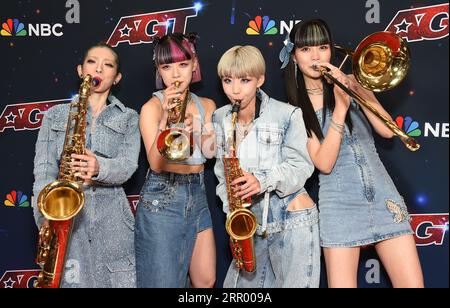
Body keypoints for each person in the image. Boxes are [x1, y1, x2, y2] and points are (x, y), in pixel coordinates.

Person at [280, 19, 424, 288]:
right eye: (306, 49)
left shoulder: (353, 82)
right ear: (294, 56)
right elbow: (323, 163)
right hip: (340, 207)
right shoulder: (294, 109)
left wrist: (355, 88)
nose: (315, 56)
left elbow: (386, 130)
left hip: (384, 197)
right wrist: (340, 108)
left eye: (322, 47)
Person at [32, 42, 140, 288]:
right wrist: (45, 219)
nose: (98, 69)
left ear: (117, 77)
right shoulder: (54, 116)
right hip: (66, 221)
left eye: (108, 64)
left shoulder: (129, 117)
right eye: (92, 62)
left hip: (113, 221)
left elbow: (128, 165)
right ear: (81, 70)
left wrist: (99, 167)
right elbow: (44, 170)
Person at [213, 45, 320, 288]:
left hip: (292, 220)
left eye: (245, 80)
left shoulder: (287, 114)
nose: (235, 90)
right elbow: (222, 174)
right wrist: (233, 209)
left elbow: (301, 166)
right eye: (227, 80)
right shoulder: (219, 118)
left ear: (260, 79)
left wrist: (261, 180)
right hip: (249, 224)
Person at [135, 33, 216, 288]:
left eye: (183, 64)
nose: (176, 74)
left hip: (197, 192)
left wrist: (198, 128)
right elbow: (156, 163)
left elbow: (211, 152)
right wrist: (165, 123)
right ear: (159, 71)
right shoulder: (152, 108)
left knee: (206, 280)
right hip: (163, 196)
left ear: (194, 65)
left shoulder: (207, 104)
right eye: (166, 66)